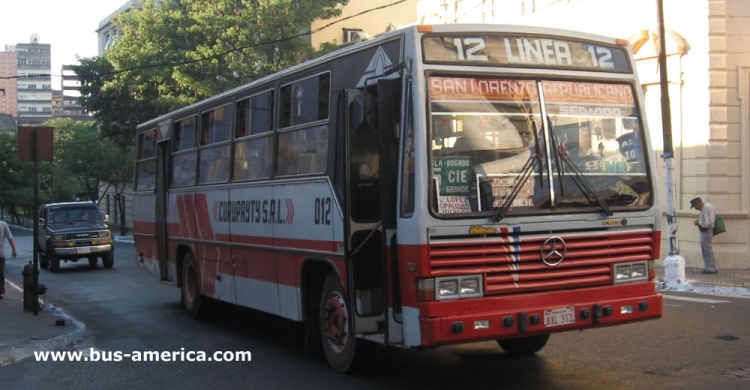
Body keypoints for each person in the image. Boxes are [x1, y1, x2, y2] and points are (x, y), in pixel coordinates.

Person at [691, 197, 717, 274]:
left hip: (706, 231)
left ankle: (710, 268)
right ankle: (710, 267)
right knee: (706, 249)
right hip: (705, 231)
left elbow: (709, 222)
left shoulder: (707, 207)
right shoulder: (705, 208)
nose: (695, 208)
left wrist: (699, 223)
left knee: (707, 250)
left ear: (697, 203)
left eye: (695, 206)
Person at [0, 220, 18, 299]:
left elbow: (10, 237)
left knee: (1, 273)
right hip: (1, 254)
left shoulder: (3, 224)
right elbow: (10, 238)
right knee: (0, 273)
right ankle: (0, 291)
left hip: (1, 254)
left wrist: (14, 249)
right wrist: (14, 250)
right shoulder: (3, 224)